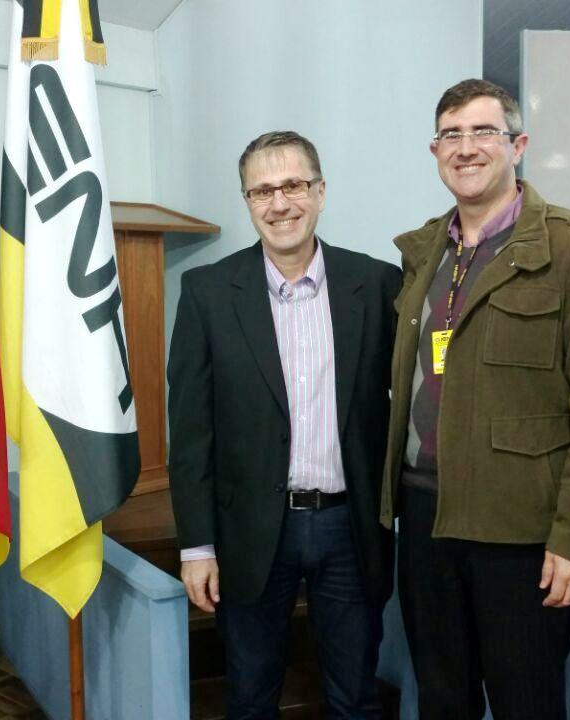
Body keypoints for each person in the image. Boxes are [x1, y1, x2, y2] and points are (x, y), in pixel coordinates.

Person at [380, 79, 570, 719]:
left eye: (483, 132)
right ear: (434, 150)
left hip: (518, 535)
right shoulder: (424, 253)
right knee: (442, 701)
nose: (466, 148)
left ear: (518, 145)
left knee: (528, 704)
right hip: (424, 520)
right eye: (451, 134)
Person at [168, 130, 401, 719]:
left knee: (356, 696)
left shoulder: (375, 285)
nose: (280, 203)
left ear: (320, 193)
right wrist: (197, 545)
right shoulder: (207, 292)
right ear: (248, 202)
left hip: (349, 527)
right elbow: (191, 431)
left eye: (293, 185)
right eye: (262, 191)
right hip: (249, 532)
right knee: (250, 697)